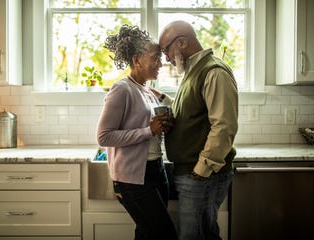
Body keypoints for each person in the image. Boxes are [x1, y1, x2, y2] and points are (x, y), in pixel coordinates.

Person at [154, 20, 238, 240]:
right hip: (192, 172)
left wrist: (201, 170)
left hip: (201, 174)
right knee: (206, 233)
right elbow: (193, 109)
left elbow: (224, 125)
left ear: (182, 42)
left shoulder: (214, 71)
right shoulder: (192, 71)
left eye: (166, 51)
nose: (166, 59)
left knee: (193, 236)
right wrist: (163, 99)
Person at [97, 24, 178, 240]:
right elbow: (104, 136)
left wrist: (161, 127)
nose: (160, 63)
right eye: (155, 58)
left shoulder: (147, 91)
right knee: (165, 235)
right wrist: (148, 130)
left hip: (156, 170)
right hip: (133, 179)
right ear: (136, 60)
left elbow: (147, 130)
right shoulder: (122, 89)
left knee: (146, 234)